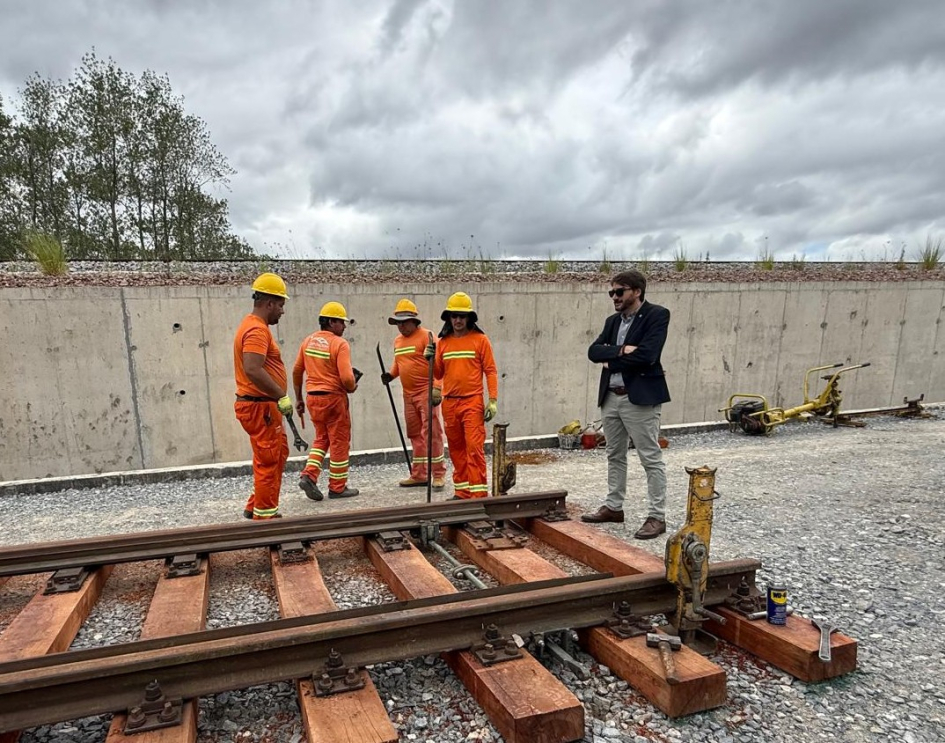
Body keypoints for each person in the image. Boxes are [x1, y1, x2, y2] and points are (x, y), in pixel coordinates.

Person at [583, 269, 671, 539]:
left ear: (637, 292)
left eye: (619, 291)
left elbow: (647, 356)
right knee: (614, 454)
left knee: (650, 458)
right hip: (611, 397)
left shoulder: (657, 315)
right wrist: (621, 350)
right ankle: (614, 507)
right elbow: (593, 352)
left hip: (639, 398)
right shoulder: (612, 321)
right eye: (611, 292)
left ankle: (657, 516)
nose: (614, 297)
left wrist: (611, 359)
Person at [426, 292, 498, 499]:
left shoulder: (480, 340)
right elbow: (439, 373)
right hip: (450, 403)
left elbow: (490, 370)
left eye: (462, 316)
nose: (458, 320)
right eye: (454, 316)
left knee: (474, 448)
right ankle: (462, 492)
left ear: (469, 318)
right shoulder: (443, 343)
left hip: (472, 402)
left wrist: (492, 400)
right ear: (449, 318)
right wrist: (429, 360)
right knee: (456, 449)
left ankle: (479, 495)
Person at [233, 273, 292, 520]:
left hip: (262, 406)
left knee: (279, 452)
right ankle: (266, 518)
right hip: (261, 407)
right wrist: (281, 395)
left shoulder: (254, 327)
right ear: (269, 303)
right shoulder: (257, 331)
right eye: (280, 305)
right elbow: (253, 368)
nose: (281, 311)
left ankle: (256, 503)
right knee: (269, 458)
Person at [293, 301, 360, 501]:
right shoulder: (339, 344)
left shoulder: (308, 341)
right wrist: (352, 387)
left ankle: (309, 474)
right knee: (339, 441)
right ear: (331, 322)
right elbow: (347, 378)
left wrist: (298, 398)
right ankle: (337, 487)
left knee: (321, 438)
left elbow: (297, 371)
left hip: (313, 398)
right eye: (341, 322)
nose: (344, 327)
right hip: (333, 398)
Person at [381, 299, 448, 489]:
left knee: (432, 433)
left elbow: (438, 364)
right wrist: (390, 375)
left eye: (404, 322)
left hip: (425, 392)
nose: (400, 326)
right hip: (408, 395)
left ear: (414, 321)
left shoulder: (427, 336)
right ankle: (419, 474)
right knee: (415, 434)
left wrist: (437, 387)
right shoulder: (398, 341)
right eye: (398, 322)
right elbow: (399, 363)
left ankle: (438, 473)